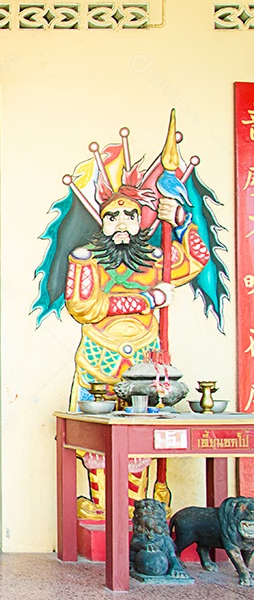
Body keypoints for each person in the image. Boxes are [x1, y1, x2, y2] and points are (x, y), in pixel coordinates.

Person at [65, 187, 209, 518]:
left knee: (141, 440)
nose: (121, 223)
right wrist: (148, 300)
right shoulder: (85, 257)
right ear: (101, 222)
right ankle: (101, 507)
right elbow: (84, 305)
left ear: (140, 220)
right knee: (95, 440)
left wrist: (182, 221)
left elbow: (196, 260)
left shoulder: (156, 259)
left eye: (129, 215)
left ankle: (131, 510)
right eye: (112, 216)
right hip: (99, 358)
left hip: (144, 360)